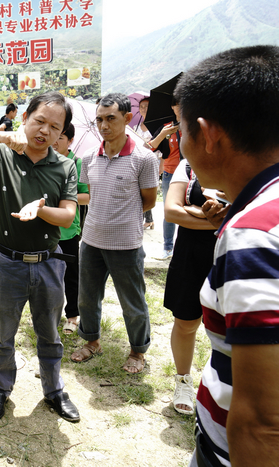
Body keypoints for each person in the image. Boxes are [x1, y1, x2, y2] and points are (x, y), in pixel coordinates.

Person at [174, 45, 279, 467]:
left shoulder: (253, 235)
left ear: (209, 134)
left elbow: (263, 424)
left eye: (181, 130)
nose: (180, 144)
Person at [0, 92, 81, 423]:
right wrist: (0, 135)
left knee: (50, 334)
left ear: (61, 132)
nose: (44, 131)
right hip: (6, 262)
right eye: (39, 121)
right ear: (25, 117)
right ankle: (1, 389)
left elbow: (68, 216)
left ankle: (54, 390)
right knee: (3, 333)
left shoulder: (64, 165)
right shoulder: (1, 154)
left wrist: (40, 209)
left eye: (55, 127)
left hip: (49, 263)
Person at [70, 93, 159, 374]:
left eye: (111, 118)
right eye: (99, 119)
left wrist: (123, 219)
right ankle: (91, 341)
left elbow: (149, 201)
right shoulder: (88, 158)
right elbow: (92, 196)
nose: (104, 125)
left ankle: (137, 351)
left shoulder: (144, 158)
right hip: (91, 240)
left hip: (126, 244)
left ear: (127, 118)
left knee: (132, 302)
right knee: (86, 297)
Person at [163, 158, 219, 415]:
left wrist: (195, 212)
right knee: (186, 322)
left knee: (231, 327)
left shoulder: (247, 159)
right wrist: (219, 222)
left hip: (230, 254)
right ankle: (183, 380)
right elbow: (172, 212)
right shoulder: (188, 165)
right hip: (190, 255)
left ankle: (224, 383)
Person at [52, 123, 89, 335]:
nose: (55, 141)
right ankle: (50, 312)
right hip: (46, 230)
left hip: (67, 231)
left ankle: (73, 315)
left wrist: (65, 199)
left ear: (70, 141)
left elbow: (88, 196)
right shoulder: (44, 161)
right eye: (54, 136)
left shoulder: (77, 163)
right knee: (48, 275)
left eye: (61, 138)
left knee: (70, 275)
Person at [148, 99, 184, 260]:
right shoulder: (167, 127)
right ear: (172, 106)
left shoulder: (194, 125)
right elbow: (150, 147)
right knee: (169, 211)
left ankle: (182, 247)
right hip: (170, 173)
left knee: (188, 210)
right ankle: (168, 247)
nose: (180, 106)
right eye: (176, 103)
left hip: (191, 173)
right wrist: (163, 134)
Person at [133, 97, 157, 230]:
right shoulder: (136, 125)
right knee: (141, 191)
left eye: (146, 106)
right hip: (138, 161)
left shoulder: (155, 125)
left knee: (147, 191)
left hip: (151, 160)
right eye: (141, 106)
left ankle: (147, 220)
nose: (143, 109)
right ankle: (149, 220)